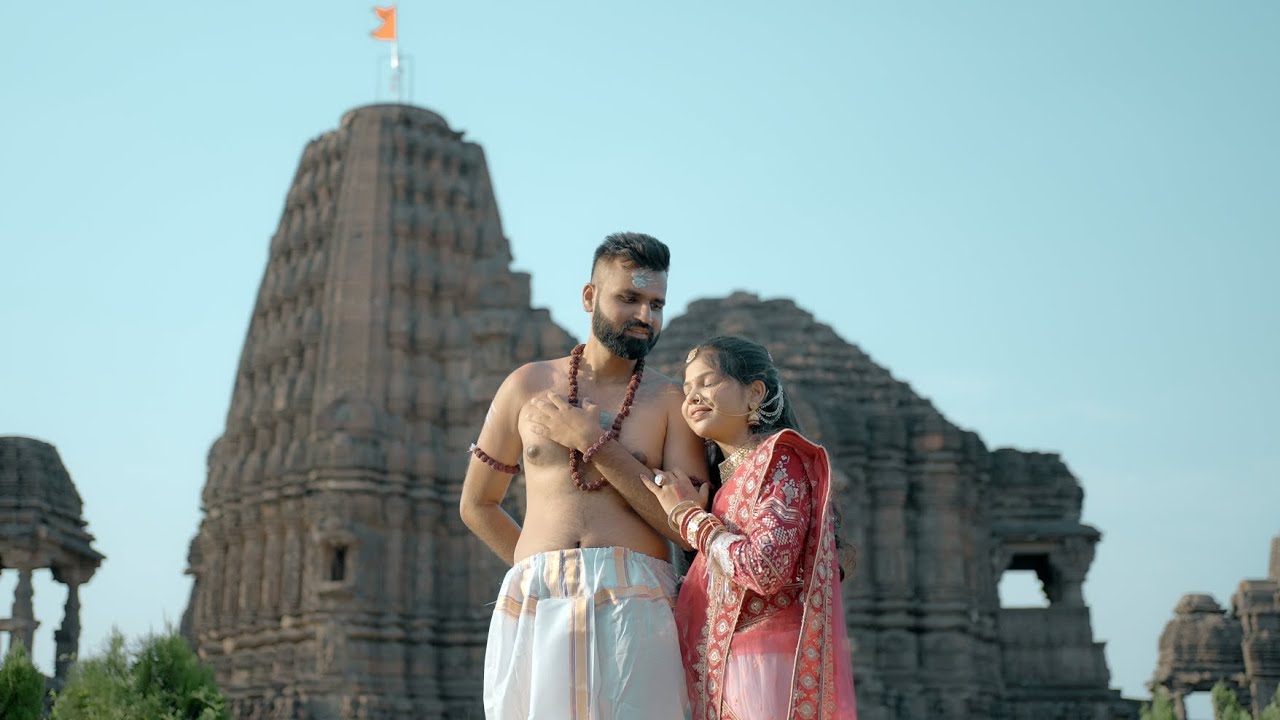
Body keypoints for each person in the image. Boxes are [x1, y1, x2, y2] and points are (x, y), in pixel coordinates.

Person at [459, 232, 708, 720]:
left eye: (656, 304)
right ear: (589, 297)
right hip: (535, 598)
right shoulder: (526, 385)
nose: (645, 317)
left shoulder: (672, 403)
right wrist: (536, 566)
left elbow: (687, 530)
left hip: (635, 602)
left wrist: (593, 443)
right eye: (629, 298)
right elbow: (477, 503)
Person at [642, 336, 858, 720]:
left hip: (764, 669)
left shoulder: (782, 460)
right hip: (722, 673)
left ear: (754, 393)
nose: (692, 396)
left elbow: (764, 568)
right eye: (687, 388)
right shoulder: (724, 485)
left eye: (707, 382)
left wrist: (687, 517)